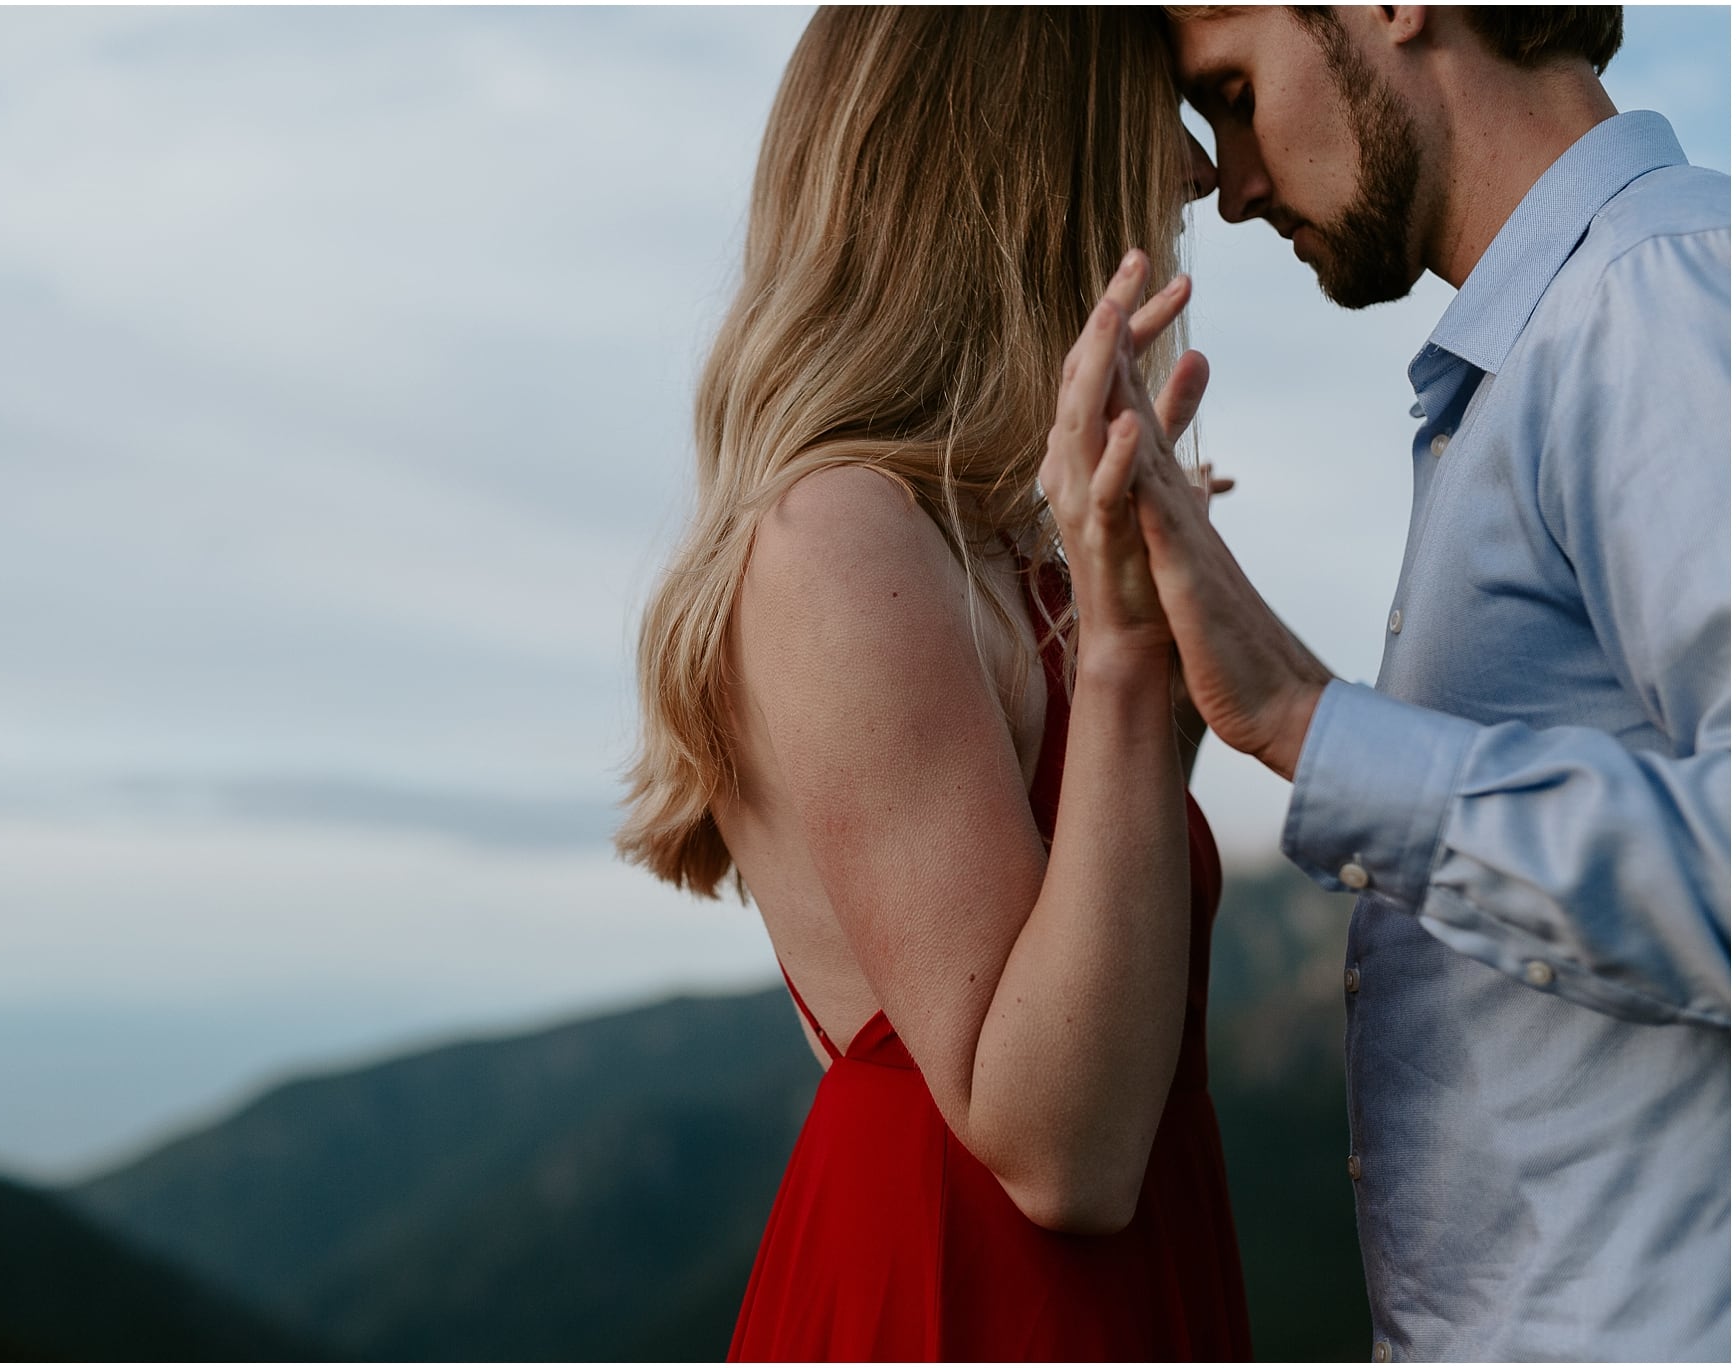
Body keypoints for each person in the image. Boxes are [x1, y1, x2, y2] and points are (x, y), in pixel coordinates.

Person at [1080, 6, 1726, 1360]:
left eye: (1238, 92)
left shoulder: (1654, 298)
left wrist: (1312, 724)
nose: (1234, 184)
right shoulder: (1535, 354)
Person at [618, 8, 1251, 1361]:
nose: (1204, 173)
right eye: (1164, 110)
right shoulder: (838, 537)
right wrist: (1135, 657)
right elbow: (1059, 1149)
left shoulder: (997, 551)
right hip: (963, 1301)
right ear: (1040, 152)